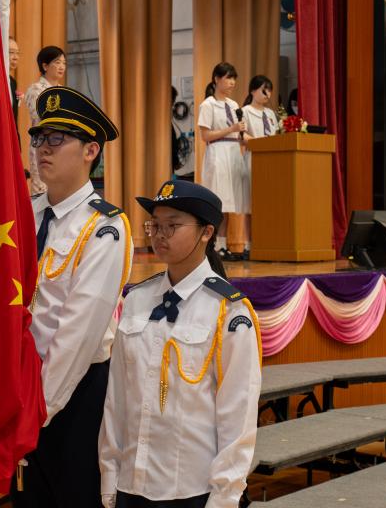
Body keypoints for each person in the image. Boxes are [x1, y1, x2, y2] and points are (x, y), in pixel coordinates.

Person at [99, 179, 261, 508]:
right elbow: (117, 400)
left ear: (206, 232)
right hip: (131, 483)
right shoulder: (137, 300)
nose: (159, 235)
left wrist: (224, 497)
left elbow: (237, 415)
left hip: (190, 490)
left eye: (172, 226)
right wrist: (109, 475)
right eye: (155, 225)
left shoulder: (228, 311)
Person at [13, 86, 132, 507]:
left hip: (73, 392)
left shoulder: (104, 227)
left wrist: (38, 410)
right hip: (20, 387)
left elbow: (78, 333)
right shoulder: (22, 214)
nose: (43, 148)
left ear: (90, 151)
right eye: (38, 138)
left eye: (57, 138)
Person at [197, 62, 246, 261]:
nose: (232, 82)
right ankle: (214, 245)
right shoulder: (207, 104)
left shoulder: (234, 105)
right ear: (217, 79)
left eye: (234, 78)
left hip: (234, 152)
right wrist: (230, 129)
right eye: (228, 78)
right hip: (217, 153)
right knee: (218, 202)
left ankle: (224, 245)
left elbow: (240, 133)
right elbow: (205, 135)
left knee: (229, 203)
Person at [239, 75, 278, 259]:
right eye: (263, 89)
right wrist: (260, 143)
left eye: (269, 90)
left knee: (269, 204)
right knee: (251, 205)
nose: (267, 94)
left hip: (272, 161)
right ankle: (249, 244)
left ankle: (268, 242)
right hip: (253, 159)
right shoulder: (245, 111)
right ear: (253, 91)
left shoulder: (270, 114)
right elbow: (242, 137)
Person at [23, 46, 66, 195]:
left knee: (60, 191)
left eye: (64, 63)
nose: (62, 67)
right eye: (57, 62)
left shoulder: (64, 91)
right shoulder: (35, 89)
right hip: (43, 144)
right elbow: (41, 118)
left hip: (62, 145)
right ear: (45, 66)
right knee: (42, 191)